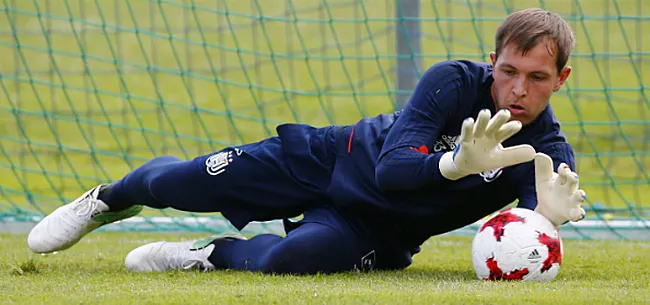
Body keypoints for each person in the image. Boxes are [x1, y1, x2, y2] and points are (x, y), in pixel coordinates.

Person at [27, 8, 586, 274]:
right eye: (509, 71)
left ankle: (203, 255)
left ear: (560, 79)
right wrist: (456, 164)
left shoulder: (548, 156)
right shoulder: (452, 82)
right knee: (175, 181)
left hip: (377, 229)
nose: (517, 89)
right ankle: (107, 199)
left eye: (537, 78)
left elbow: (531, 238)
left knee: (293, 259)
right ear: (493, 61)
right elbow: (393, 169)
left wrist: (548, 221)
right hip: (324, 161)